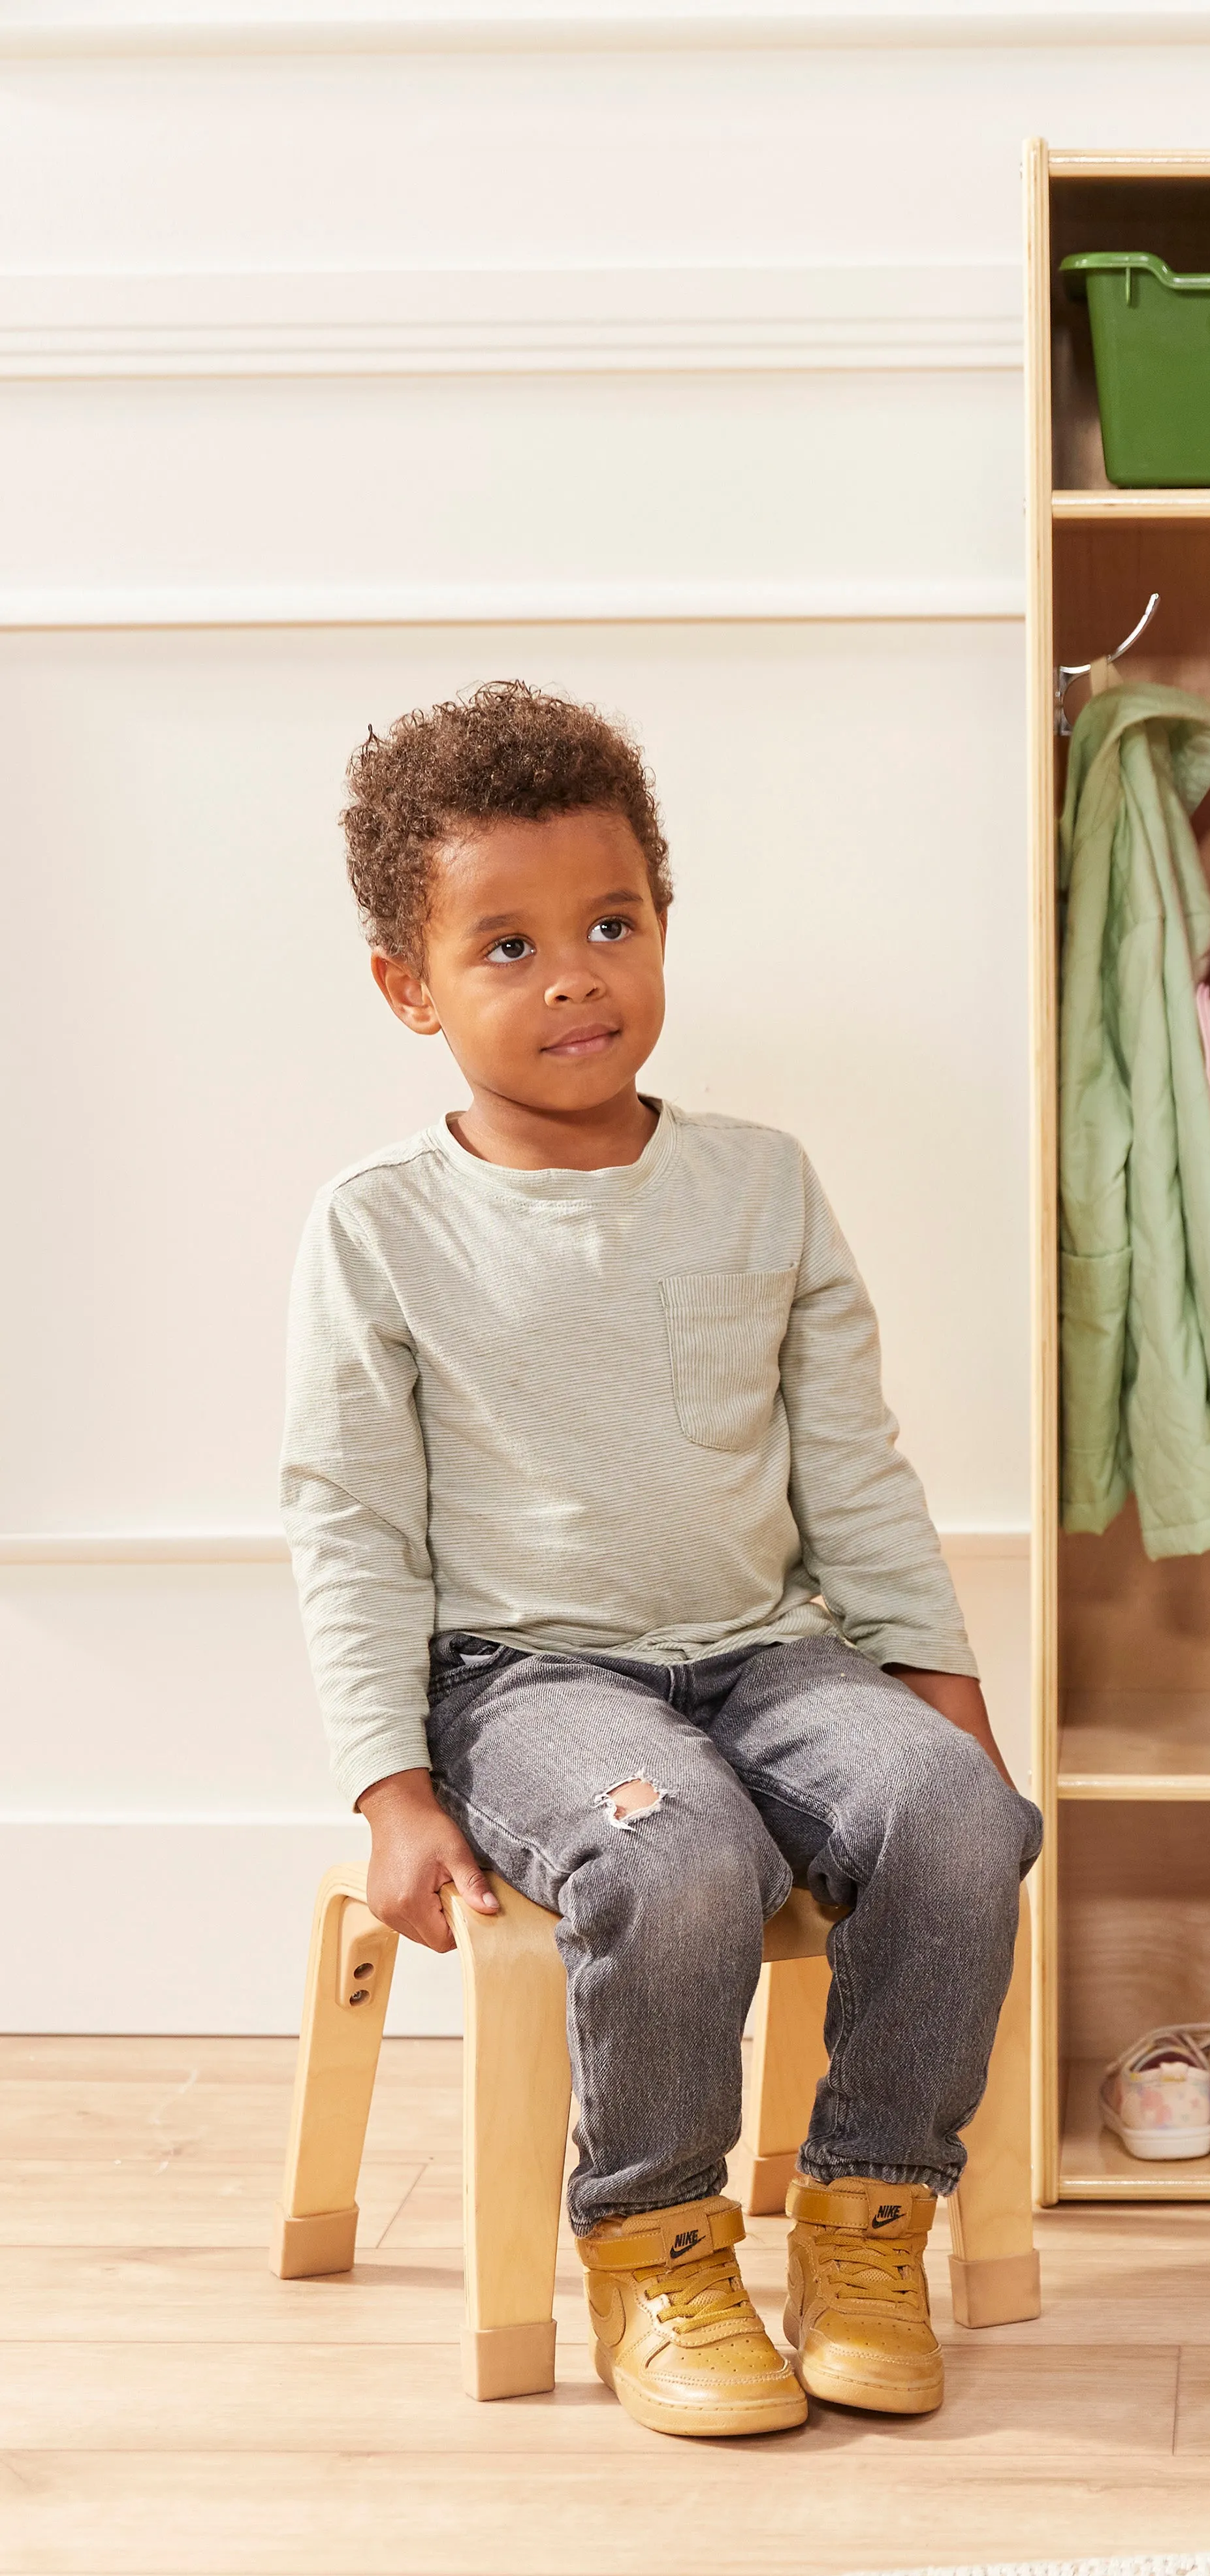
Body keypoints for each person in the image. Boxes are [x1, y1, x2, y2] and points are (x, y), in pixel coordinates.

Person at [281, 680, 1038, 2440]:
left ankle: (867, 2220)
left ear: (663, 928)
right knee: (679, 1856)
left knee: (956, 1818)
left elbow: (855, 1473)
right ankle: (658, 2250)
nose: (575, 977)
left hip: (769, 1654)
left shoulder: (761, 1189)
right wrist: (389, 1786)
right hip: (527, 1682)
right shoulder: (382, 1229)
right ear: (410, 986)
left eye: (612, 924)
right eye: (511, 945)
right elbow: (351, 1516)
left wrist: (946, 1707)